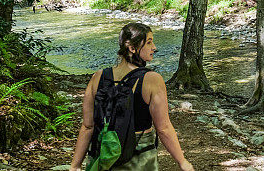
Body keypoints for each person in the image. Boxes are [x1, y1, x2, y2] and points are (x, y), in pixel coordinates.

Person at [70, 22, 195, 171]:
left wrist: (75, 165)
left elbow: (87, 126)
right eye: (149, 42)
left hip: (102, 156)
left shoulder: (98, 77)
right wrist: (182, 162)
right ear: (132, 48)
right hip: (139, 159)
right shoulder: (152, 80)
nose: (154, 47)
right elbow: (163, 128)